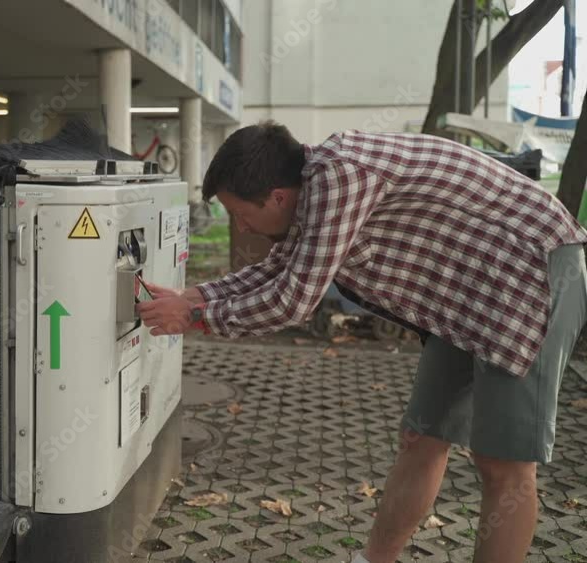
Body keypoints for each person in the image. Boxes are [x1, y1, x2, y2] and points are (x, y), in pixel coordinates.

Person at [137, 121, 587, 563]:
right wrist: (195, 295)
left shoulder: (342, 177)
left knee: (503, 466)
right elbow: (282, 267)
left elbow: (293, 301)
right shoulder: (312, 187)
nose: (244, 227)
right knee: (420, 437)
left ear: (276, 196)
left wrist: (196, 315)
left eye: (240, 215)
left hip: (531, 275)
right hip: (467, 296)